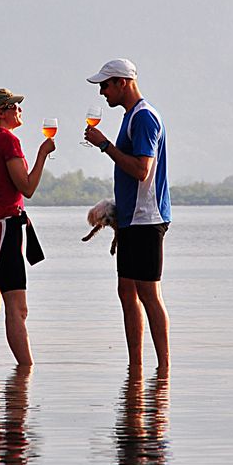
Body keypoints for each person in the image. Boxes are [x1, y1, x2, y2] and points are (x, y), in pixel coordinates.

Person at [83, 59, 172, 371]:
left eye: (105, 86)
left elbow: (141, 169)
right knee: (126, 291)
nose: (103, 93)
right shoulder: (130, 116)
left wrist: (105, 145)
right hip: (132, 218)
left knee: (148, 293)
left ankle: (163, 368)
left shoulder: (145, 117)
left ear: (122, 83)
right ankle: (136, 367)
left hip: (147, 218)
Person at [0, 88, 55, 367]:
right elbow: (27, 188)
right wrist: (42, 154)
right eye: (15, 106)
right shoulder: (7, 141)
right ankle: (26, 374)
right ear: (0, 112)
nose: (20, 110)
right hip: (6, 229)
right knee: (17, 309)